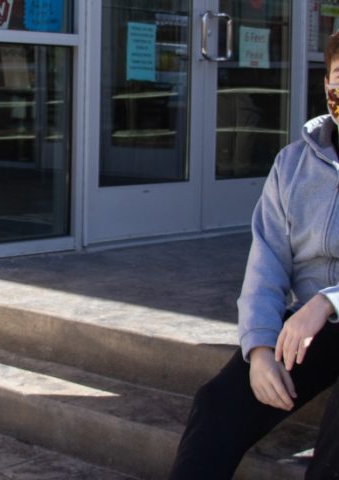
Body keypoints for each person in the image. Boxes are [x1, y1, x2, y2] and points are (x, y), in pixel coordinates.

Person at [168, 31, 339, 480]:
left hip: (321, 314)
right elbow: (266, 263)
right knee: (217, 402)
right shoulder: (291, 164)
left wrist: (327, 301)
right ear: (327, 85)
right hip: (303, 330)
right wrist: (259, 349)